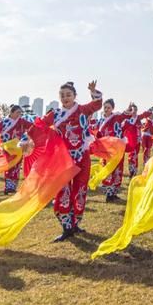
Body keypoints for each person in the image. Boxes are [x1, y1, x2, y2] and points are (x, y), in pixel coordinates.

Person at [52, 81, 103, 242]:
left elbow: (97, 104)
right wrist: (26, 140)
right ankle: (66, 227)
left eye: (68, 95)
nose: (65, 98)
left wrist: (93, 91)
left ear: (75, 96)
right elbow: (39, 126)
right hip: (64, 160)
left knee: (80, 190)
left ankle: (75, 223)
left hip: (82, 156)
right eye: (62, 95)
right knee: (63, 191)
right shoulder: (55, 114)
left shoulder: (82, 110)